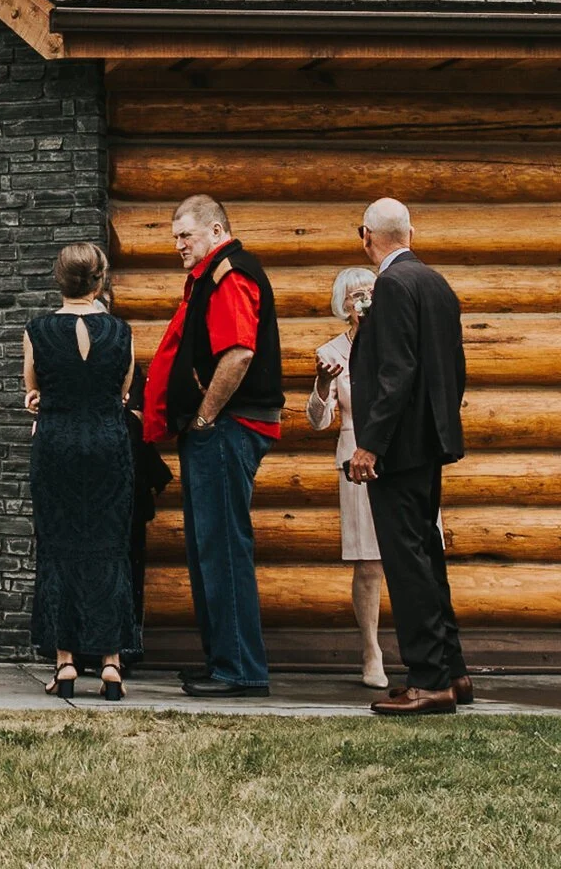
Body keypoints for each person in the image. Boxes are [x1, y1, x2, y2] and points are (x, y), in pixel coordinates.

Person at [139, 194, 280, 698]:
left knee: (222, 547)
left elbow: (238, 353)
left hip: (226, 429)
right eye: (175, 237)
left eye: (186, 235)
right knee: (208, 548)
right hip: (216, 430)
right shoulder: (209, 275)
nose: (178, 245)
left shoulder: (229, 274)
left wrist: (203, 417)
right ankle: (223, 660)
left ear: (217, 231)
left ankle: (239, 669)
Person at [349, 198, 472, 716]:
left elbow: (396, 371)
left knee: (407, 564)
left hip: (398, 448)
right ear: (410, 233)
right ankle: (453, 671)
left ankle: (429, 680)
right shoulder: (437, 284)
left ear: (366, 236)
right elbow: (453, 368)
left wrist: (371, 443)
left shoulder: (394, 285)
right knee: (426, 555)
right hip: (427, 443)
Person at [26, 241, 138, 699]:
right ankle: (111, 664)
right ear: (100, 280)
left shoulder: (37, 330)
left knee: (58, 548)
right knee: (110, 548)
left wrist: (39, 399)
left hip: (57, 446)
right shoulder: (121, 331)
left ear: (59, 279)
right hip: (109, 446)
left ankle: (66, 662)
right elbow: (123, 390)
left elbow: (34, 387)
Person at [307, 265, 388, 689]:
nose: (365, 301)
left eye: (371, 292)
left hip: (401, 454)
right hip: (356, 459)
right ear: (343, 305)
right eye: (356, 295)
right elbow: (319, 421)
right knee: (369, 562)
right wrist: (323, 385)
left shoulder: (398, 343)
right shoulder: (333, 352)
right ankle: (371, 651)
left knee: (413, 556)